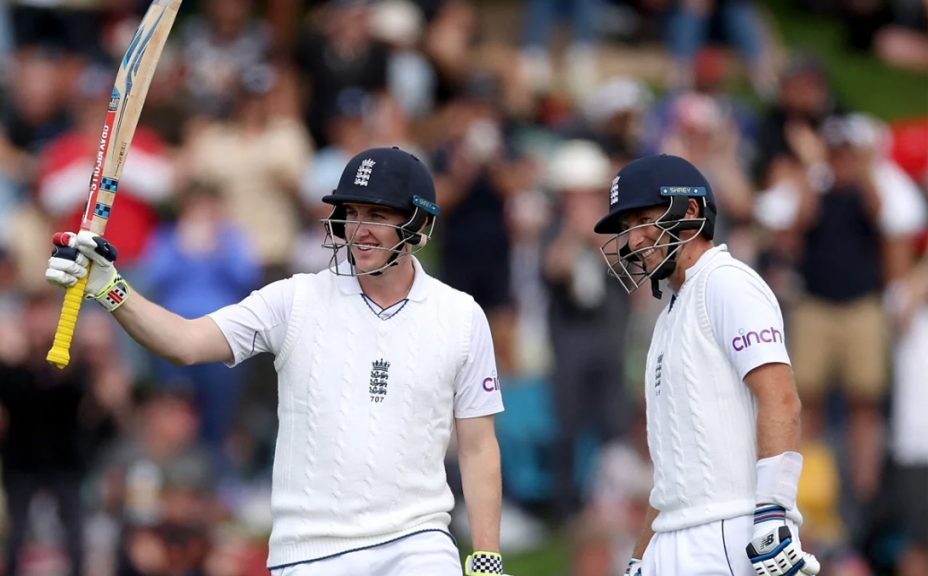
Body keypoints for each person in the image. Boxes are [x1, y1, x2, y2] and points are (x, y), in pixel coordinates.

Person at [45, 146, 509, 576]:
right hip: (309, 549)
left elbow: (477, 445)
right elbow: (185, 342)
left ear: (419, 225)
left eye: (378, 215)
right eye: (351, 214)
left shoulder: (461, 316)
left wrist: (486, 555)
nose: (360, 230)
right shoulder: (295, 300)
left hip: (417, 543)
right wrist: (110, 287)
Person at [592, 154, 820, 576]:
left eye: (643, 220)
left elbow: (781, 399)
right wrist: (641, 558)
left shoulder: (728, 284)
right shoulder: (667, 318)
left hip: (730, 532)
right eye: (626, 230)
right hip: (674, 537)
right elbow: (672, 472)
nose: (634, 240)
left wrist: (773, 513)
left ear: (690, 211)